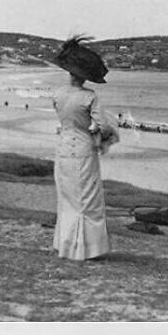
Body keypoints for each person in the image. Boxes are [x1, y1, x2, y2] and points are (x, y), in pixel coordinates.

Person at [52, 36, 117, 262]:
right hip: (82, 148)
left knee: (68, 196)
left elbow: (64, 118)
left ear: (70, 73)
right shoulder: (89, 97)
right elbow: (102, 125)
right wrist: (104, 136)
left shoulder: (58, 94)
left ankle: (66, 244)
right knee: (87, 199)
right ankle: (85, 249)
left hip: (63, 146)